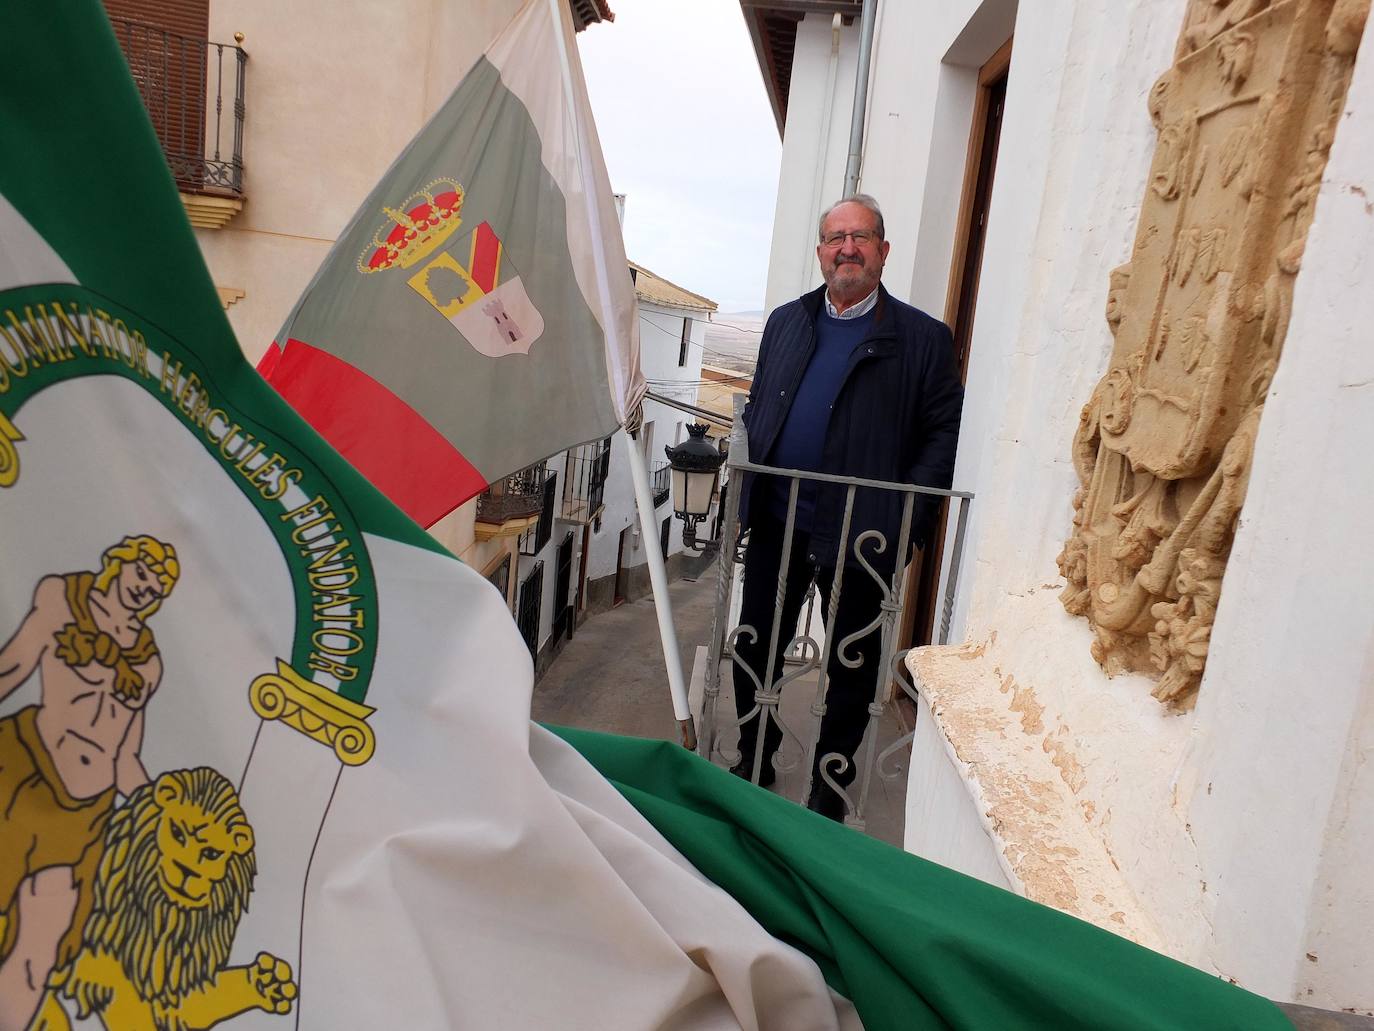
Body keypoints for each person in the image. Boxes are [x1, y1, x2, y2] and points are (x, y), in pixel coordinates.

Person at [733, 195, 963, 820]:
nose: (848, 249)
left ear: (883, 251)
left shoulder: (921, 338)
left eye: (861, 237)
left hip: (861, 534)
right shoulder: (787, 321)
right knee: (756, 646)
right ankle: (754, 756)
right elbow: (761, 410)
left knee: (851, 666)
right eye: (836, 238)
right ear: (820, 252)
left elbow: (941, 437)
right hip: (780, 521)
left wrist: (903, 525)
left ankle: (828, 787)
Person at [0, 535, 179, 1029]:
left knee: (40, 950)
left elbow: (125, 755)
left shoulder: (148, 662)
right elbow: (13, 665)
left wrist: (156, 814)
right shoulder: (60, 600)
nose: (148, 587)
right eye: (143, 572)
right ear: (117, 563)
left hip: (86, 815)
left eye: (159, 585)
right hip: (23, 772)